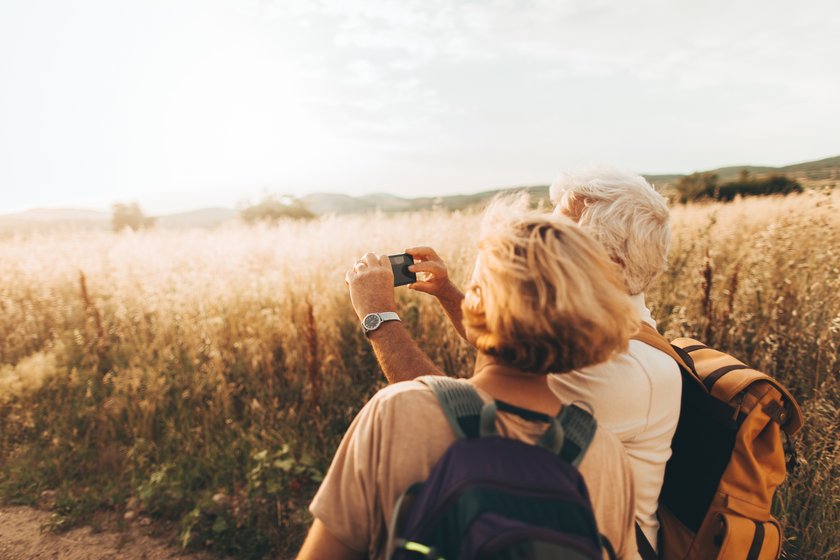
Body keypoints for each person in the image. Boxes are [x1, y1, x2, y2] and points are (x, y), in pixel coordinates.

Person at [298, 195, 640, 560]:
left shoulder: (397, 412)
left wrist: (377, 315)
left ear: (477, 302)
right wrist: (448, 293)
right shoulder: (606, 456)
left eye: (475, 286)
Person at [406, 170, 681, 553]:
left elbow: (458, 434)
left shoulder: (619, 367)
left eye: (559, 222)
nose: (542, 227)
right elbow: (506, 354)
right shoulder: (594, 326)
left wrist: (379, 320)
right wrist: (450, 293)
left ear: (609, 261)